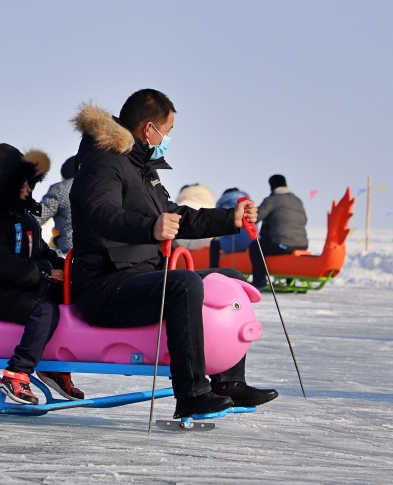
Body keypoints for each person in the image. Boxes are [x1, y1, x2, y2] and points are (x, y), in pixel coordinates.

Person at [69, 90, 279, 420]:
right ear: (148, 129)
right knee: (184, 284)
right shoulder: (102, 161)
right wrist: (150, 228)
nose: (167, 139)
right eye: (167, 131)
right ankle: (191, 393)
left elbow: (174, 216)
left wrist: (230, 219)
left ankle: (229, 381)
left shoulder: (142, 166)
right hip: (106, 285)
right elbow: (101, 213)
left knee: (229, 279)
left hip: (141, 275)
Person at [0, 143, 84, 404]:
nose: (29, 190)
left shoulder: (23, 216)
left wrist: (69, 270)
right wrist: (44, 273)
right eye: (22, 185)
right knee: (44, 311)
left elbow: (42, 252)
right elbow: (0, 263)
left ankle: (53, 364)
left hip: (27, 286)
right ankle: (16, 372)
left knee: (77, 295)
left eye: (30, 184)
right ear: (4, 185)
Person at [252, 174, 309, 289]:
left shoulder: (272, 200)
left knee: (255, 247)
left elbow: (256, 217)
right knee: (282, 241)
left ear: (271, 186)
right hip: (302, 244)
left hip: (282, 244)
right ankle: (289, 278)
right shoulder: (297, 200)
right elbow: (305, 220)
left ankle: (259, 281)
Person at [36, 155, 76, 253]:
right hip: (106, 249)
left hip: (72, 250)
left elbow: (38, 216)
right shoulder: (101, 187)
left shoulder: (60, 189)